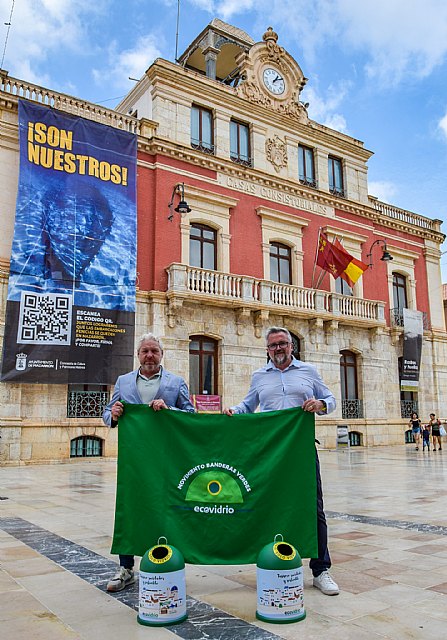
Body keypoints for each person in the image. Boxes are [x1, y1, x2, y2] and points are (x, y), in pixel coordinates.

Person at [223, 326, 339, 596]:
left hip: (301, 451)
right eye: (273, 345)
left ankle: (321, 570)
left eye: (283, 343)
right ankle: (276, 563)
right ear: (267, 349)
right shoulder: (259, 376)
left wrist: (320, 405)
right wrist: (234, 411)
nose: (278, 348)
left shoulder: (308, 372)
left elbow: (331, 399)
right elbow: (248, 406)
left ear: (291, 346)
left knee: (313, 508)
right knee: (270, 506)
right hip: (270, 453)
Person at [103, 332, 195, 592]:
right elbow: (107, 413)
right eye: (145, 351)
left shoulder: (175, 383)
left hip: (167, 459)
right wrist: (115, 413)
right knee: (129, 508)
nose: (150, 355)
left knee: (165, 507)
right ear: (138, 355)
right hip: (134, 459)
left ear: (161, 354)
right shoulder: (123, 381)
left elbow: (190, 414)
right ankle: (125, 568)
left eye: (154, 351)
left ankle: (166, 562)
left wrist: (169, 409)